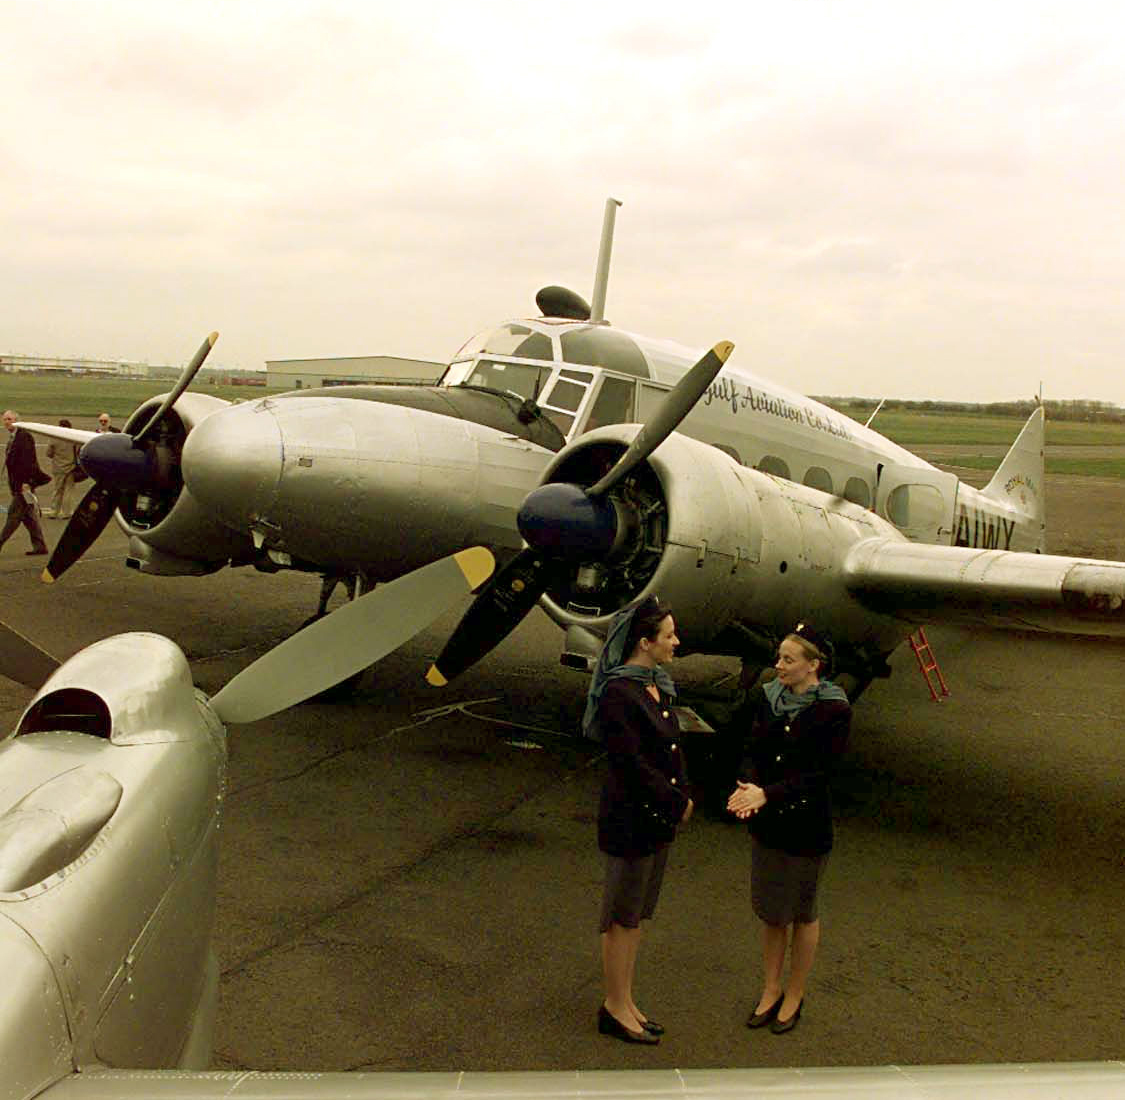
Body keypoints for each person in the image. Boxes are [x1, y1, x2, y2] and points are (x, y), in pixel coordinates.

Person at [726, 622, 851, 1035]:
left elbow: (821, 774)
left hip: (806, 826)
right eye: (778, 657)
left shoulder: (834, 710)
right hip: (769, 826)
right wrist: (747, 785)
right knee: (772, 913)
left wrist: (768, 794)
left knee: (802, 913)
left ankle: (795, 994)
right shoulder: (767, 698)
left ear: (813, 666)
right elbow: (751, 749)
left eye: (788, 659)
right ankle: (770, 988)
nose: (777, 665)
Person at [582, 595, 693, 1046]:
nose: (676, 642)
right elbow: (630, 763)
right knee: (620, 918)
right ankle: (613, 1006)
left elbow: (671, 749)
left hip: (655, 820)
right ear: (645, 642)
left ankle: (626, 1001)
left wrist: (681, 795)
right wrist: (673, 800)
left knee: (636, 916)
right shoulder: (618, 692)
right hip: (631, 819)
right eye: (668, 636)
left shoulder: (656, 685)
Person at [0, 410, 50, 556]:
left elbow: (29, 462)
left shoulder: (24, 437)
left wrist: (28, 482)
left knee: (13, 516)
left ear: (17, 420)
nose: (7, 422)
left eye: (9, 419)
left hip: (24, 486)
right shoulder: (13, 437)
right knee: (29, 518)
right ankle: (40, 546)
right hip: (17, 485)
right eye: (5, 420)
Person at [45, 419, 81, 519]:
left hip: (58, 468)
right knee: (69, 491)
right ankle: (67, 512)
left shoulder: (54, 439)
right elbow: (79, 452)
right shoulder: (74, 439)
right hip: (71, 468)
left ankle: (54, 511)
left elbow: (48, 453)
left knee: (57, 490)